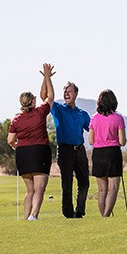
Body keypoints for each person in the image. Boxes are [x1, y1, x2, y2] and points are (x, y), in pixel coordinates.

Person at [7, 63, 55, 221]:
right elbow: (50, 97)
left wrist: (17, 147)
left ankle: (27, 217)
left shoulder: (16, 119)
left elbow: (10, 140)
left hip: (23, 154)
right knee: (40, 188)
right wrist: (47, 78)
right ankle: (34, 215)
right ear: (33, 102)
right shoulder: (40, 113)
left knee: (30, 190)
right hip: (39, 151)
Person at [41, 80, 91, 218]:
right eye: (64, 91)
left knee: (84, 183)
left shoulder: (83, 114)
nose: (66, 93)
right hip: (65, 151)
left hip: (80, 151)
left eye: (69, 91)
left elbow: (93, 130)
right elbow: (45, 96)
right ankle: (68, 214)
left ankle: (80, 211)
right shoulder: (58, 109)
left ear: (76, 94)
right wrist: (47, 78)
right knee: (67, 183)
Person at [88, 89, 127, 217]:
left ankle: (103, 216)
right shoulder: (118, 118)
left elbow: (91, 140)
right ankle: (106, 216)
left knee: (101, 190)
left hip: (98, 154)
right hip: (112, 153)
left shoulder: (94, 118)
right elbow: (122, 141)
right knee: (113, 188)